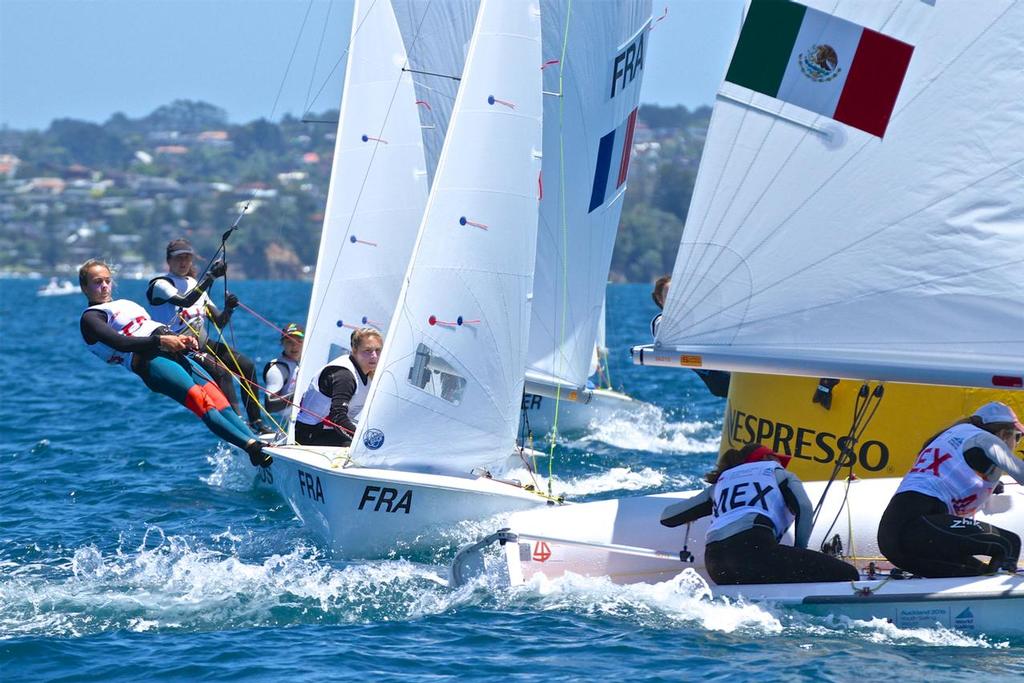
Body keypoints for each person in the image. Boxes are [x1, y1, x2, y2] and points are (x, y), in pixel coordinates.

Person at [77, 259, 270, 467]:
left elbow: (152, 327)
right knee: (201, 401)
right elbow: (121, 343)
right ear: (84, 287)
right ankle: (251, 447)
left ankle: (256, 442)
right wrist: (162, 340)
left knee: (220, 400)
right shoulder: (91, 318)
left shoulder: (123, 303)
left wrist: (180, 339)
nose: (105, 286)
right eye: (97, 282)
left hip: (173, 350)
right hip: (151, 361)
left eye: (107, 280)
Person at [660, 443, 859, 585]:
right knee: (849, 574)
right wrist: (801, 551)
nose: (781, 463)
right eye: (777, 459)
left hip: (716, 565)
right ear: (765, 459)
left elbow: (668, 517)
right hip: (754, 554)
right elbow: (805, 509)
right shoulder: (776, 472)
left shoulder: (721, 482)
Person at [878, 402, 1024, 578]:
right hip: (917, 526)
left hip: (893, 537)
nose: (1016, 443)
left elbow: (947, 477)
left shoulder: (951, 436)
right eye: (1018, 437)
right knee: (1008, 543)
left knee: (979, 575)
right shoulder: (985, 439)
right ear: (1003, 433)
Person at [146, 238, 271, 434]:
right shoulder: (161, 285)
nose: (183, 262)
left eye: (187, 258)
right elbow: (186, 301)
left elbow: (219, 322)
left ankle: (256, 421)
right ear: (169, 261)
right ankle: (238, 425)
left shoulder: (194, 283)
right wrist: (211, 277)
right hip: (179, 347)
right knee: (221, 372)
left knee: (246, 366)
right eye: (179, 258)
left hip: (204, 344)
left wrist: (229, 308)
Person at [295, 327, 382, 447]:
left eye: (378, 350)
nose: (374, 356)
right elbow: (337, 418)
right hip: (310, 435)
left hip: (331, 432)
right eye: (367, 350)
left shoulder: (367, 373)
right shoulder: (344, 376)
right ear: (354, 350)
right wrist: (362, 440)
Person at [650, 274, 731, 399]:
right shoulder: (660, 322)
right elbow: (666, 337)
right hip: (719, 378)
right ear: (661, 300)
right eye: (670, 297)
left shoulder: (698, 315)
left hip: (733, 367)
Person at [263, 322, 304, 423]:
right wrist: (300, 394)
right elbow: (270, 405)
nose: (294, 346)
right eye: (289, 342)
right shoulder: (277, 370)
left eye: (299, 341)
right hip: (287, 425)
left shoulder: (302, 363)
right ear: (282, 343)